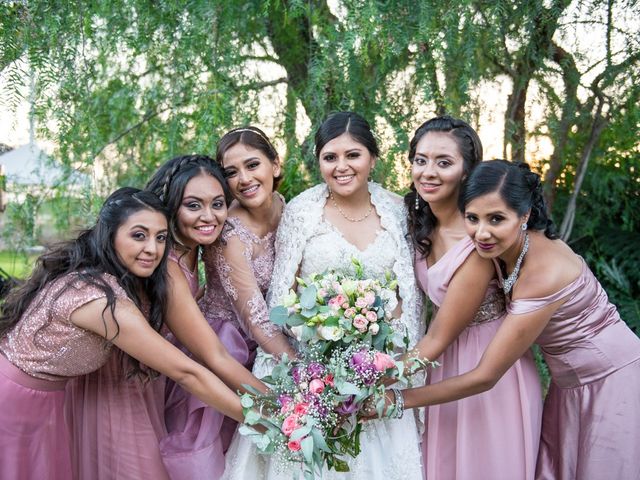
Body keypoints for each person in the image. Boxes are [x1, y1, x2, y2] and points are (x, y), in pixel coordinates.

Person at [370, 160, 640, 480]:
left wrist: (397, 398)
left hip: (611, 380)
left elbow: (485, 375)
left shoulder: (543, 273)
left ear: (524, 216)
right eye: (473, 218)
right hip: (567, 383)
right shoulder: (501, 247)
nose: (481, 233)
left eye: (496, 219)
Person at [222, 112, 425, 480]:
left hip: (379, 369)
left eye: (353, 155)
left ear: (373, 158)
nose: (341, 166)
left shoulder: (398, 211)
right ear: (318, 162)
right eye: (330, 157)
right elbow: (281, 298)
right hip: (310, 367)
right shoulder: (301, 211)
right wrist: (322, 358)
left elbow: (408, 295)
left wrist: (383, 362)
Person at [0, 188, 251, 480]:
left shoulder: (99, 276)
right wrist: (261, 419)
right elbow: (187, 372)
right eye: (138, 235)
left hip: (42, 398)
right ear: (109, 235)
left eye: (160, 238)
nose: (153, 249)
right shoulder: (100, 301)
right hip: (17, 402)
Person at [405, 118, 542, 479]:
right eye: (420, 160)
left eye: (443, 163)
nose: (428, 172)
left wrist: (371, 383)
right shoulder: (421, 222)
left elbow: (438, 337)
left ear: (467, 172)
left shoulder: (477, 242)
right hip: (443, 361)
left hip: (487, 366)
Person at [144, 154, 269, 479]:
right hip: (149, 382)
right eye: (194, 205)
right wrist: (280, 405)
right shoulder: (168, 267)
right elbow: (214, 356)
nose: (209, 216)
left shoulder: (193, 250)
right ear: (172, 207)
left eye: (217, 204)